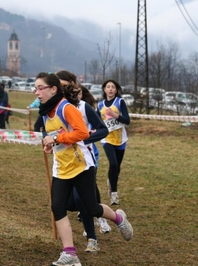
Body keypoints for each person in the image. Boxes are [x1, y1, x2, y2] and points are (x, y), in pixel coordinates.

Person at [36, 72, 133, 266]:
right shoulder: (46, 111)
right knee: (57, 207)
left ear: (53, 89)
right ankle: (70, 253)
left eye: (40, 88)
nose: (36, 92)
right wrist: (50, 144)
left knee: (91, 208)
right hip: (61, 167)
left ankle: (119, 218)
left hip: (81, 165)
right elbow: (55, 134)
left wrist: (56, 139)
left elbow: (81, 132)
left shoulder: (67, 108)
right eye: (35, 88)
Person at [56, 70, 111, 253]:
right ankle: (102, 213)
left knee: (82, 200)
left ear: (72, 86)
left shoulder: (83, 107)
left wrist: (82, 140)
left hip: (86, 159)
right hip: (64, 162)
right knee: (70, 204)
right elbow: (42, 128)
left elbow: (103, 130)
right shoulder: (53, 109)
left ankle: (92, 239)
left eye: (63, 85)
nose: (60, 88)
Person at [97, 79, 130, 205]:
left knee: (117, 168)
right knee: (113, 164)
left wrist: (114, 115)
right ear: (104, 89)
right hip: (107, 139)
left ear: (116, 90)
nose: (110, 89)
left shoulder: (120, 102)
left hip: (120, 139)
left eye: (113, 87)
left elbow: (127, 120)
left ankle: (111, 181)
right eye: (108, 87)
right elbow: (97, 121)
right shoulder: (100, 105)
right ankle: (114, 194)